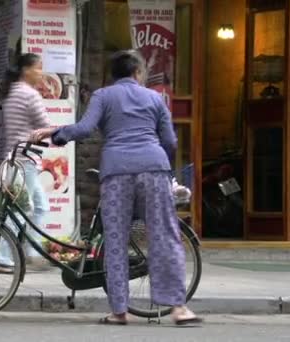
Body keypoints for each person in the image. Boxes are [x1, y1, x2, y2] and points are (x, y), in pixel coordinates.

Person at [30, 50, 202, 325]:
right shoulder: (155, 98)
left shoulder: (103, 96)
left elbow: (85, 129)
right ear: (137, 73)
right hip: (153, 171)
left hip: (116, 174)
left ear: (112, 76)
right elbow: (170, 141)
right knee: (164, 238)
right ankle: (178, 309)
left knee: (115, 242)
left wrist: (57, 134)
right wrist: (157, 159)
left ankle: (119, 311)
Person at [0, 53, 51, 274]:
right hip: (25, 158)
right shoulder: (30, 95)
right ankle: (4, 258)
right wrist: (61, 131)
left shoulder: (10, 92)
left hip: (16, 157)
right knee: (19, 210)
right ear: (26, 70)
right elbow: (44, 125)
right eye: (38, 68)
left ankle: (32, 252)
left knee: (39, 206)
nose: (41, 73)